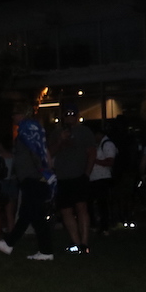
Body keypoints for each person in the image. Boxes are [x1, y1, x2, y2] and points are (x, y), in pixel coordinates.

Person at [0, 104, 55, 260]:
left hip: (33, 177)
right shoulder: (30, 129)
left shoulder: (28, 130)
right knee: (32, 215)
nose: (13, 117)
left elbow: (35, 151)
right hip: (31, 177)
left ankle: (12, 244)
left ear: (23, 114)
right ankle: (42, 250)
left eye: (15, 113)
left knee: (31, 215)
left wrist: (42, 171)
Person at [50, 105, 96, 253]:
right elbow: (50, 152)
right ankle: (76, 242)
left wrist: (87, 173)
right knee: (66, 210)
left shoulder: (84, 132)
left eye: (72, 114)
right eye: (67, 114)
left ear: (77, 116)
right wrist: (60, 140)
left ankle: (84, 242)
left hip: (79, 175)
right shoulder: (57, 132)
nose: (69, 116)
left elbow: (91, 153)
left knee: (81, 207)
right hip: (62, 176)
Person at [88, 123, 117, 236]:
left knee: (102, 203)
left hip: (103, 177)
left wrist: (93, 160)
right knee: (96, 203)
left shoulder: (107, 144)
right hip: (94, 177)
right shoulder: (97, 144)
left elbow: (110, 161)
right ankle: (97, 225)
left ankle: (105, 226)